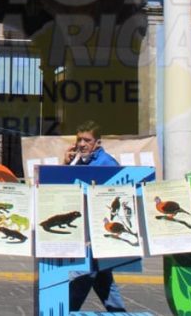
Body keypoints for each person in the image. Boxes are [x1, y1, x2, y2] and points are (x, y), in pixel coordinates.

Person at [64, 120, 126, 313]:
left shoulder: (106, 163)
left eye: (87, 140)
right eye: (79, 139)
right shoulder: (80, 161)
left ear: (97, 142)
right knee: (103, 281)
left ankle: (66, 311)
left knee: (81, 277)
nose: (81, 144)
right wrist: (66, 165)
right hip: (86, 230)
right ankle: (119, 313)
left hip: (96, 234)